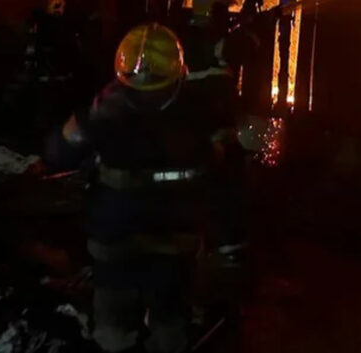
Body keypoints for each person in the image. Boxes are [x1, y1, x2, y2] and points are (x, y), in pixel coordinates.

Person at [44, 22, 240, 353]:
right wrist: (229, 246)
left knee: (113, 330)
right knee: (169, 327)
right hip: (174, 244)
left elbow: (57, 154)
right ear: (178, 70)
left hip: (114, 240)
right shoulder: (199, 114)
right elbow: (223, 174)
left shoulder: (104, 109)